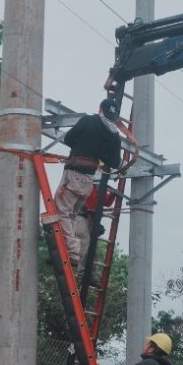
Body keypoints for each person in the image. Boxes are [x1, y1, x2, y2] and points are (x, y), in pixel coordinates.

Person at [56, 99, 123, 270]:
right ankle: (73, 250)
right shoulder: (115, 135)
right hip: (88, 180)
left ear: (100, 109)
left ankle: (71, 251)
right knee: (71, 214)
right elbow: (115, 162)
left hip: (74, 174)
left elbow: (69, 138)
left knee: (61, 211)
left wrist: (82, 144)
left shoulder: (89, 120)